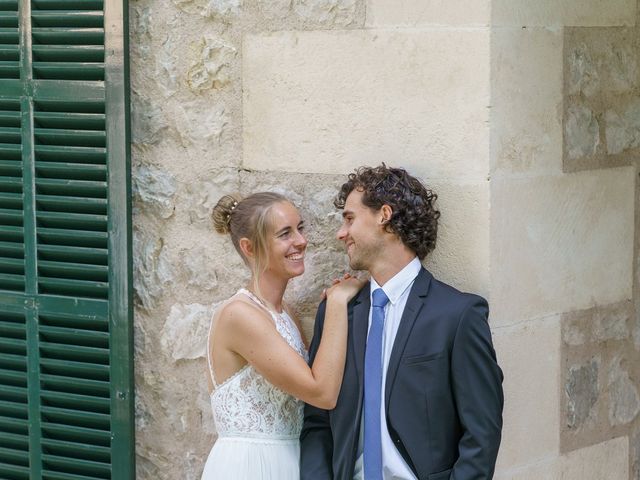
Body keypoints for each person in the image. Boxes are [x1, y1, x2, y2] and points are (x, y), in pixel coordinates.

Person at [300, 165, 504, 480]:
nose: (342, 233)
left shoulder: (458, 315)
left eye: (350, 218)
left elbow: (482, 433)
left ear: (384, 215)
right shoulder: (338, 311)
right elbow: (317, 422)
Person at [202, 192, 365, 480]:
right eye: (285, 234)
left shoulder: (285, 313)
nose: (301, 241)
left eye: (300, 228)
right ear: (249, 247)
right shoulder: (239, 315)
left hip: (291, 461)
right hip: (251, 466)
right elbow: (322, 393)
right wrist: (337, 304)